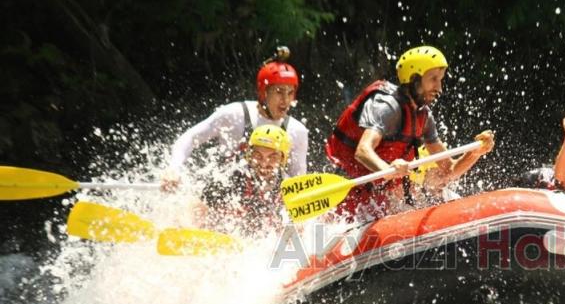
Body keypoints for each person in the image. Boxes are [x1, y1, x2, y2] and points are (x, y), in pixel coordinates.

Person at [325, 45, 495, 220]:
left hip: (378, 198)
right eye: (433, 79)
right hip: (347, 193)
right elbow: (363, 151)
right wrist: (387, 169)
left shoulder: (424, 116)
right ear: (414, 79)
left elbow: (449, 170)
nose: (439, 88)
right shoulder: (387, 107)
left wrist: (475, 153)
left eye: (441, 80)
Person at [162, 49, 308, 189]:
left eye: (290, 93)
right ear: (264, 92)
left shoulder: (297, 131)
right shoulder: (233, 114)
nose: (286, 99)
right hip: (222, 195)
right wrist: (174, 169)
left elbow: (298, 180)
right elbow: (191, 137)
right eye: (279, 92)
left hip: (267, 203)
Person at [194, 124, 290, 234]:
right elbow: (198, 208)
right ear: (249, 155)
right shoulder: (231, 177)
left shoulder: (289, 188)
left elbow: (297, 229)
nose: (264, 164)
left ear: (282, 159)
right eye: (258, 156)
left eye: (272, 158)